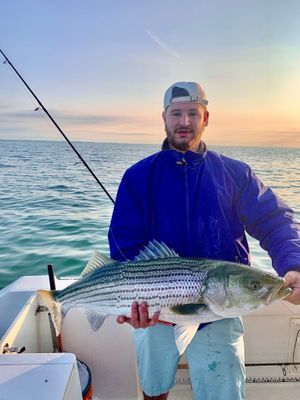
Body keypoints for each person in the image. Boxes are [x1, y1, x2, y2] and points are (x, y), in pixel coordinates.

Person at [108, 81, 300, 400]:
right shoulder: (137, 177)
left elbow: (274, 220)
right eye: (177, 113)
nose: (184, 122)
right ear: (164, 118)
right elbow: (124, 243)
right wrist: (137, 297)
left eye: (193, 114)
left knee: (223, 391)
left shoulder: (236, 174)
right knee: (154, 388)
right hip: (155, 309)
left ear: (206, 118)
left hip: (221, 308)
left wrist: (293, 263)